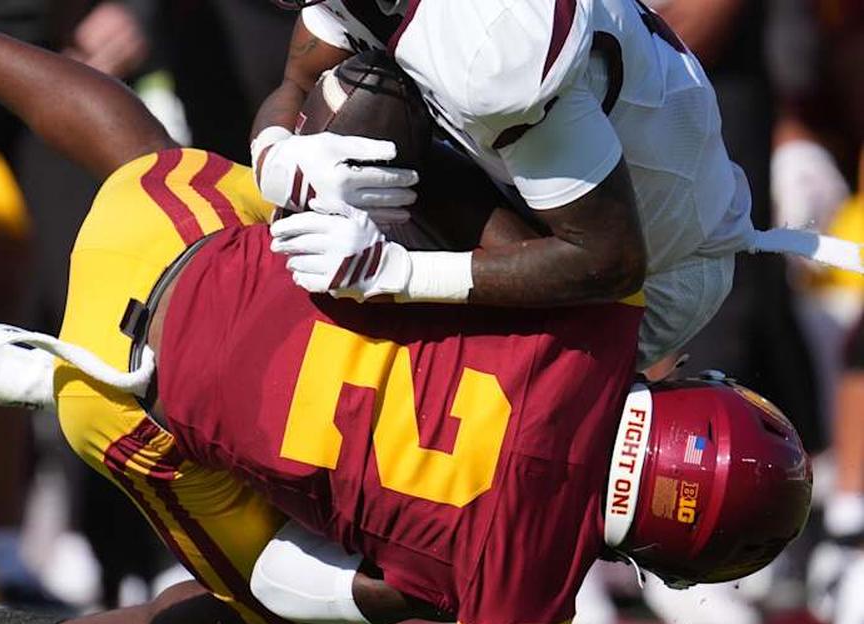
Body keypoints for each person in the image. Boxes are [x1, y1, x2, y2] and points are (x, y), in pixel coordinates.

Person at [0, 5, 812, 624]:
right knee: (289, 609)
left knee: (146, 144)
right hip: (128, 406)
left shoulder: (585, 332)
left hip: (209, 255)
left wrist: (379, 228)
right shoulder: (516, 573)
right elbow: (379, 577)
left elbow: (577, 263)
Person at [247, 0, 805, 374]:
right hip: (563, 214)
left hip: (654, 271)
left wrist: (395, 274)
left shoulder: (489, 41)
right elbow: (298, 78)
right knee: (356, 104)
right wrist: (274, 156)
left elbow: (607, 259)